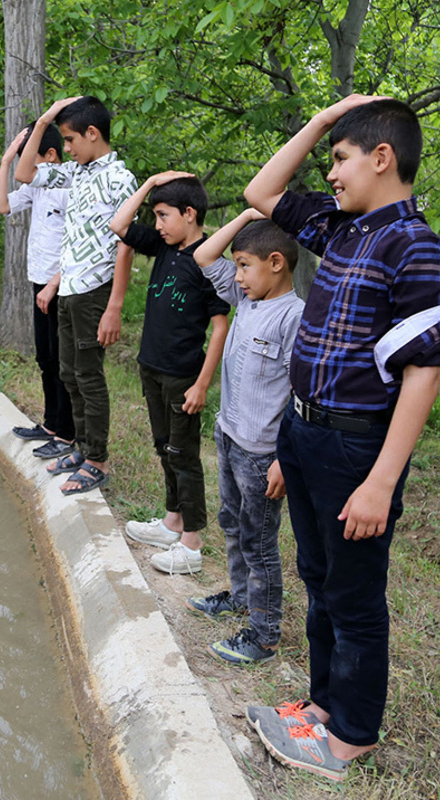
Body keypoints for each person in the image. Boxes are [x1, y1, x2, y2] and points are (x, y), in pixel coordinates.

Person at [242, 96, 440, 780]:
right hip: (304, 434)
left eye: (340, 159)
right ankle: (323, 705)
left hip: (354, 450)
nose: (331, 173)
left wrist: (381, 482)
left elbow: (423, 373)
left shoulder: (413, 246)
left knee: (355, 593)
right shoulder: (340, 229)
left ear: (382, 158)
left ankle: (352, 734)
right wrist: (322, 121)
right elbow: (262, 192)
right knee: (318, 577)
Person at [189, 210, 304, 666]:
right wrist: (248, 215)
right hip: (230, 435)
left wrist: (284, 459)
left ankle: (264, 634)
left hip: (262, 454)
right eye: (235, 266)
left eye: (244, 265)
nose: (236, 276)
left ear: (276, 262)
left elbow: (302, 392)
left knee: (260, 542)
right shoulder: (247, 300)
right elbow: (202, 254)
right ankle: (240, 598)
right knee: (233, 524)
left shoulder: (293, 317)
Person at [16, 96, 137, 495]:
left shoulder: (119, 179)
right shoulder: (77, 172)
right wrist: (46, 119)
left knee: (89, 375)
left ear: (92, 134)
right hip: (68, 286)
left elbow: (125, 244)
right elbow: (24, 174)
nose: (66, 148)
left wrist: (115, 305)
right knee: (69, 372)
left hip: (93, 291)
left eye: (70, 139)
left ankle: (97, 459)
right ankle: (83, 448)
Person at [109, 172, 229, 566]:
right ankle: (171, 522)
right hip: (151, 367)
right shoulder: (163, 247)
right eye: (155, 216)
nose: (157, 225)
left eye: (163, 216)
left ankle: (192, 544)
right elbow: (119, 225)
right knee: (164, 447)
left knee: (184, 454)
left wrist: (202, 384)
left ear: (189, 213)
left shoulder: (207, 260)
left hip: (183, 376)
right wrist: (149, 185)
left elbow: (220, 327)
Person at [0, 124, 76, 461]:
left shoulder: (70, 187)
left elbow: (77, 242)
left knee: (61, 361)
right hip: (38, 281)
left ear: (50, 156)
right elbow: (1, 206)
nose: (24, 168)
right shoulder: (38, 189)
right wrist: (5, 161)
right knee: (45, 357)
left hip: (62, 283)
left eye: (31, 157)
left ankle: (68, 434)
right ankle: (51, 424)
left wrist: (55, 282)